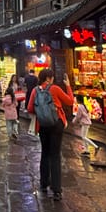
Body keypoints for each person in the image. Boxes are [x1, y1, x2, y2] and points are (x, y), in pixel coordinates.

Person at [27, 68, 74, 201]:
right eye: (52, 77)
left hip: (42, 125)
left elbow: (30, 108)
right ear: (49, 78)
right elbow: (70, 101)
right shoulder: (55, 89)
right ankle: (56, 190)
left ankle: (43, 184)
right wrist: (68, 86)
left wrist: (42, 112)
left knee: (45, 153)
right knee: (55, 155)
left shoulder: (35, 91)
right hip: (56, 124)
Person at [24, 69, 38, 137]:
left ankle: (26, 108)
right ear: (34, 72)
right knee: (33, 100)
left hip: (28, 91)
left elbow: (25, 84)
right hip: (33, 91)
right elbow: (37, 85)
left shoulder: (26, 77)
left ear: (29, 72)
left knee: (27, 99)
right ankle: (33, 108)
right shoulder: (35, 78)